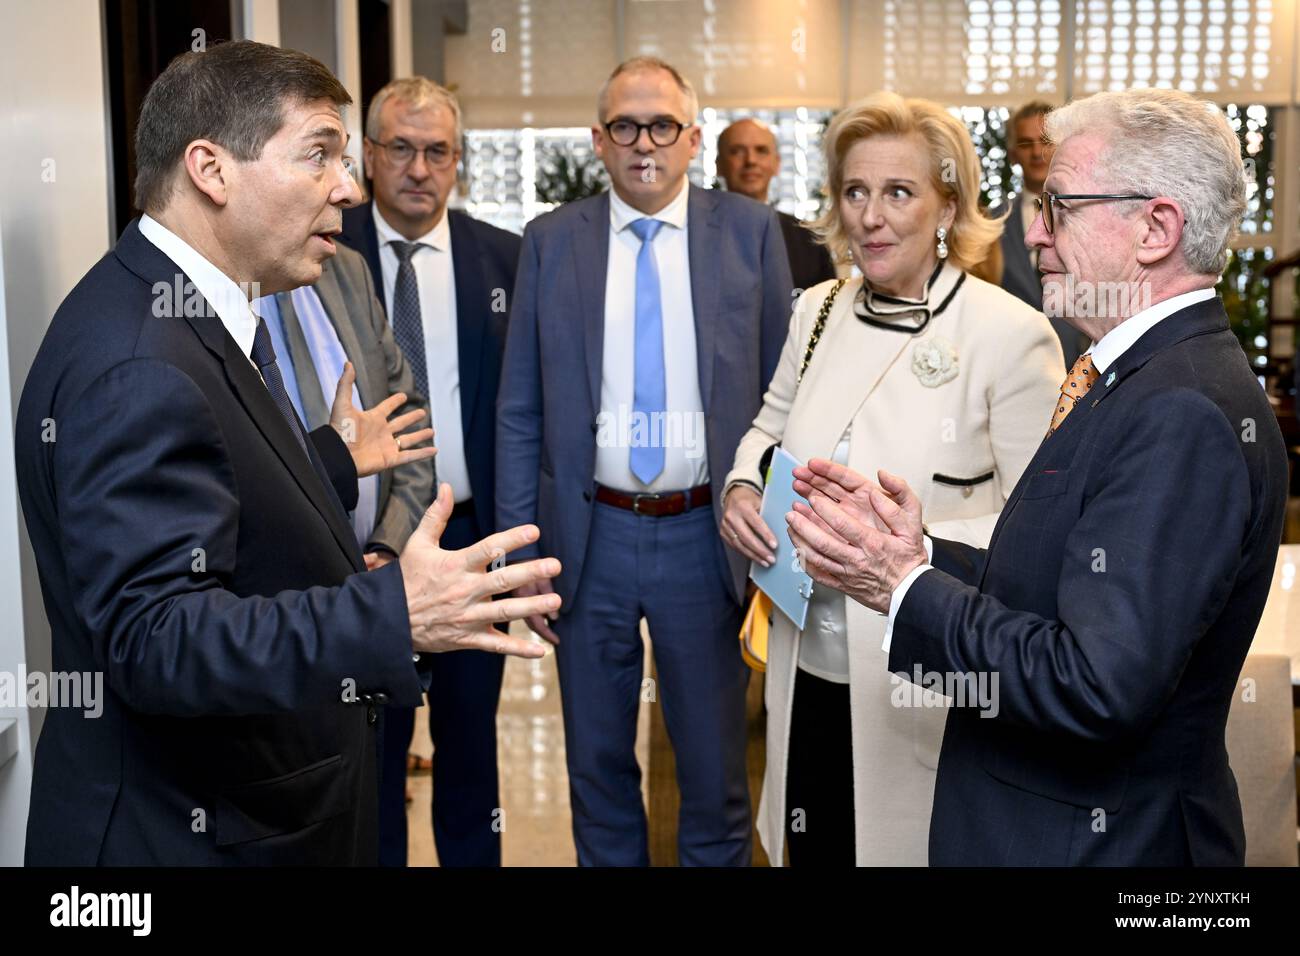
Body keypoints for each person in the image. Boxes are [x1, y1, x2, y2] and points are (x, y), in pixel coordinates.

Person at [15, 40, 560, 866]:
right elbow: (155, 638)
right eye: (319, 155)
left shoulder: (192, 314)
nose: (348, 186)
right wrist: (394, 613)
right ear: (211, 169)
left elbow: (224, 491)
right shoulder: (138, 361)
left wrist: (332, 461)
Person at [786, 87, 1288, 866]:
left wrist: (905, 590)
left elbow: (1094, 685)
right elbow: (1058, 582)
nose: (1033, 233)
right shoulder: (1134, 375)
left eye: (1059, 206)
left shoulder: (1180, 410)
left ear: (1155, 228)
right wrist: (916, 551)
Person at [722, 91, 1063, 866]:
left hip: (922, 681)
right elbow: (767, 430)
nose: (870, 216)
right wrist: (743, 487)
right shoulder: (816, 311)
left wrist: (914, 544)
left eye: (899, 192)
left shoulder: (1009, 335)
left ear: (948, 206)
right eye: (855, 191)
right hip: (805, 659)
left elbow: (1039, 530)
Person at [497, 56, 793, 866]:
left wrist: (774, 533)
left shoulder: (749, 233)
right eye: (625, 126)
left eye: (663, 125)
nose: (644, 143)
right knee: (596, 770)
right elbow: (519, 408)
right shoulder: (552, 243)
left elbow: (781, 398)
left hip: (707, 536)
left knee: (714, 774)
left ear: (694, 138)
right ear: (598, 139)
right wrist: (524, 555)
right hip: (587, 540)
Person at [338, 76, 521, 868]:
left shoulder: (505, 259)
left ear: (458, 162)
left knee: (470, 742)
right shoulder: (322, 250)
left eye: (437, 151)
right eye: (401, 150)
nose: (419, 168)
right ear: (370, 158)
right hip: (365, 543)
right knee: (371, 746)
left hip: (472, 537)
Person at [252, 241, 434, 561]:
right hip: (284, 587)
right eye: (318, 185)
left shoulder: (349, 268)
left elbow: (406, 417)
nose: (350, 193)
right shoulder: (193, 295)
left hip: (380, 570)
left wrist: (389, 546)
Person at [991, 100, 1088, 367]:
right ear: (1012, 154)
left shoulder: (1091, 215)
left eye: (1044, 141)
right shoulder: (990, 222)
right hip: (1010, 363)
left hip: (1082, 368)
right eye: (1025, 143)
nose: (1036, 152)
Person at [717, 117, 837, 293]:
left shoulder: (808, 239)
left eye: (761, 151)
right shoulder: (697, 235)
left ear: (777, 163)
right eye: (737, 151)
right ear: (718, 165)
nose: (751, 161)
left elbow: (826, 310)